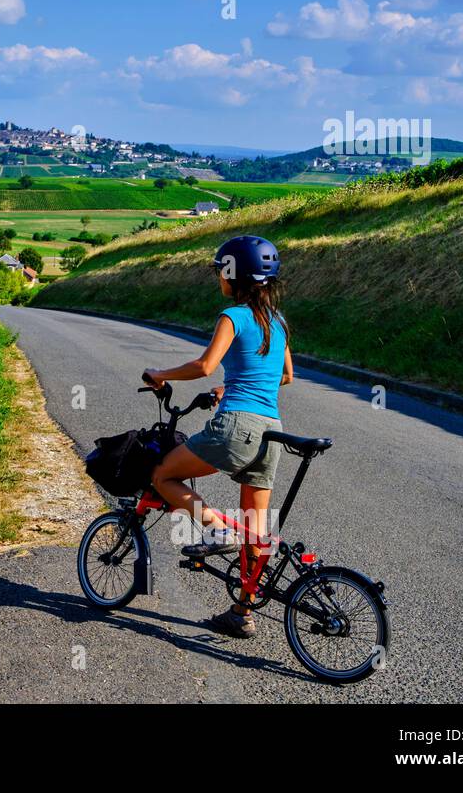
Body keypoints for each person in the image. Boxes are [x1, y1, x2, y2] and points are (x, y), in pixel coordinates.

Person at [141, 235, 292, 638]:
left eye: (220, 270)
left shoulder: (233, 316)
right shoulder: (276, 321)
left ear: (232, 274)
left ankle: (213, 527)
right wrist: (237, 383)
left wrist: (160, 374)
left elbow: (206, 365)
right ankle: (242, 613)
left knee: (162, 476)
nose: (218, 278)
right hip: (271, 431)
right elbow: (286, 376)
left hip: (237, 428)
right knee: (254, 531)